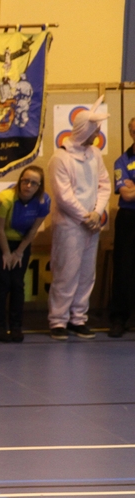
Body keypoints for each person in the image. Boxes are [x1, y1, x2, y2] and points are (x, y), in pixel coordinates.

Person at [47, 102, 112, 340]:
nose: (97, 135)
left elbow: (104, 184)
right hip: (70, 226)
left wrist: (97, 212)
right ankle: (58, 320)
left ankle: (78, 318)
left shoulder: (95, 155)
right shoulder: (60, 158)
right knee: (66, 272)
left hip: (91, 225)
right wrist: (86, 217)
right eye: (94, 130)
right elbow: (63, 196)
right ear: (84, 130)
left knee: (86, 273)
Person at [0, 166, 50, 342]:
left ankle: (16, 326)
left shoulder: (43, 201)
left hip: (21, 242)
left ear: (39, 186)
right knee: (3, 281)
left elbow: (34, 230)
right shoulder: (5, 199)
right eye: (25, 181)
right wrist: (7, 253)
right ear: (20, 180)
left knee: (17, 283)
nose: (28, 185)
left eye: (33, 183)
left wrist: (19, 252)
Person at [110, 116, 135, 337]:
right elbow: (126, 194)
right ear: (131, 133)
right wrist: (130, 189)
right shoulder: (122, 161)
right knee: (123, 268)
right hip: (128, 218)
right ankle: (119, 318)